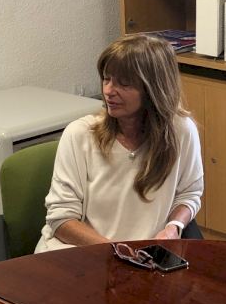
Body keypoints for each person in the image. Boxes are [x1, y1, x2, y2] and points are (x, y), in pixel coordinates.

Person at [34, 34, 203, 251]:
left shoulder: (181, 131)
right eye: (106, 79)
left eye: (124, 83)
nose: (108, 91)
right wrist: (118, 252)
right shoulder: (80, 135)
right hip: (81, 252)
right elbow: (61, 220)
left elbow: (189, 193)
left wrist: (174, 227)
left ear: (153, 89)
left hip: (144, 256)